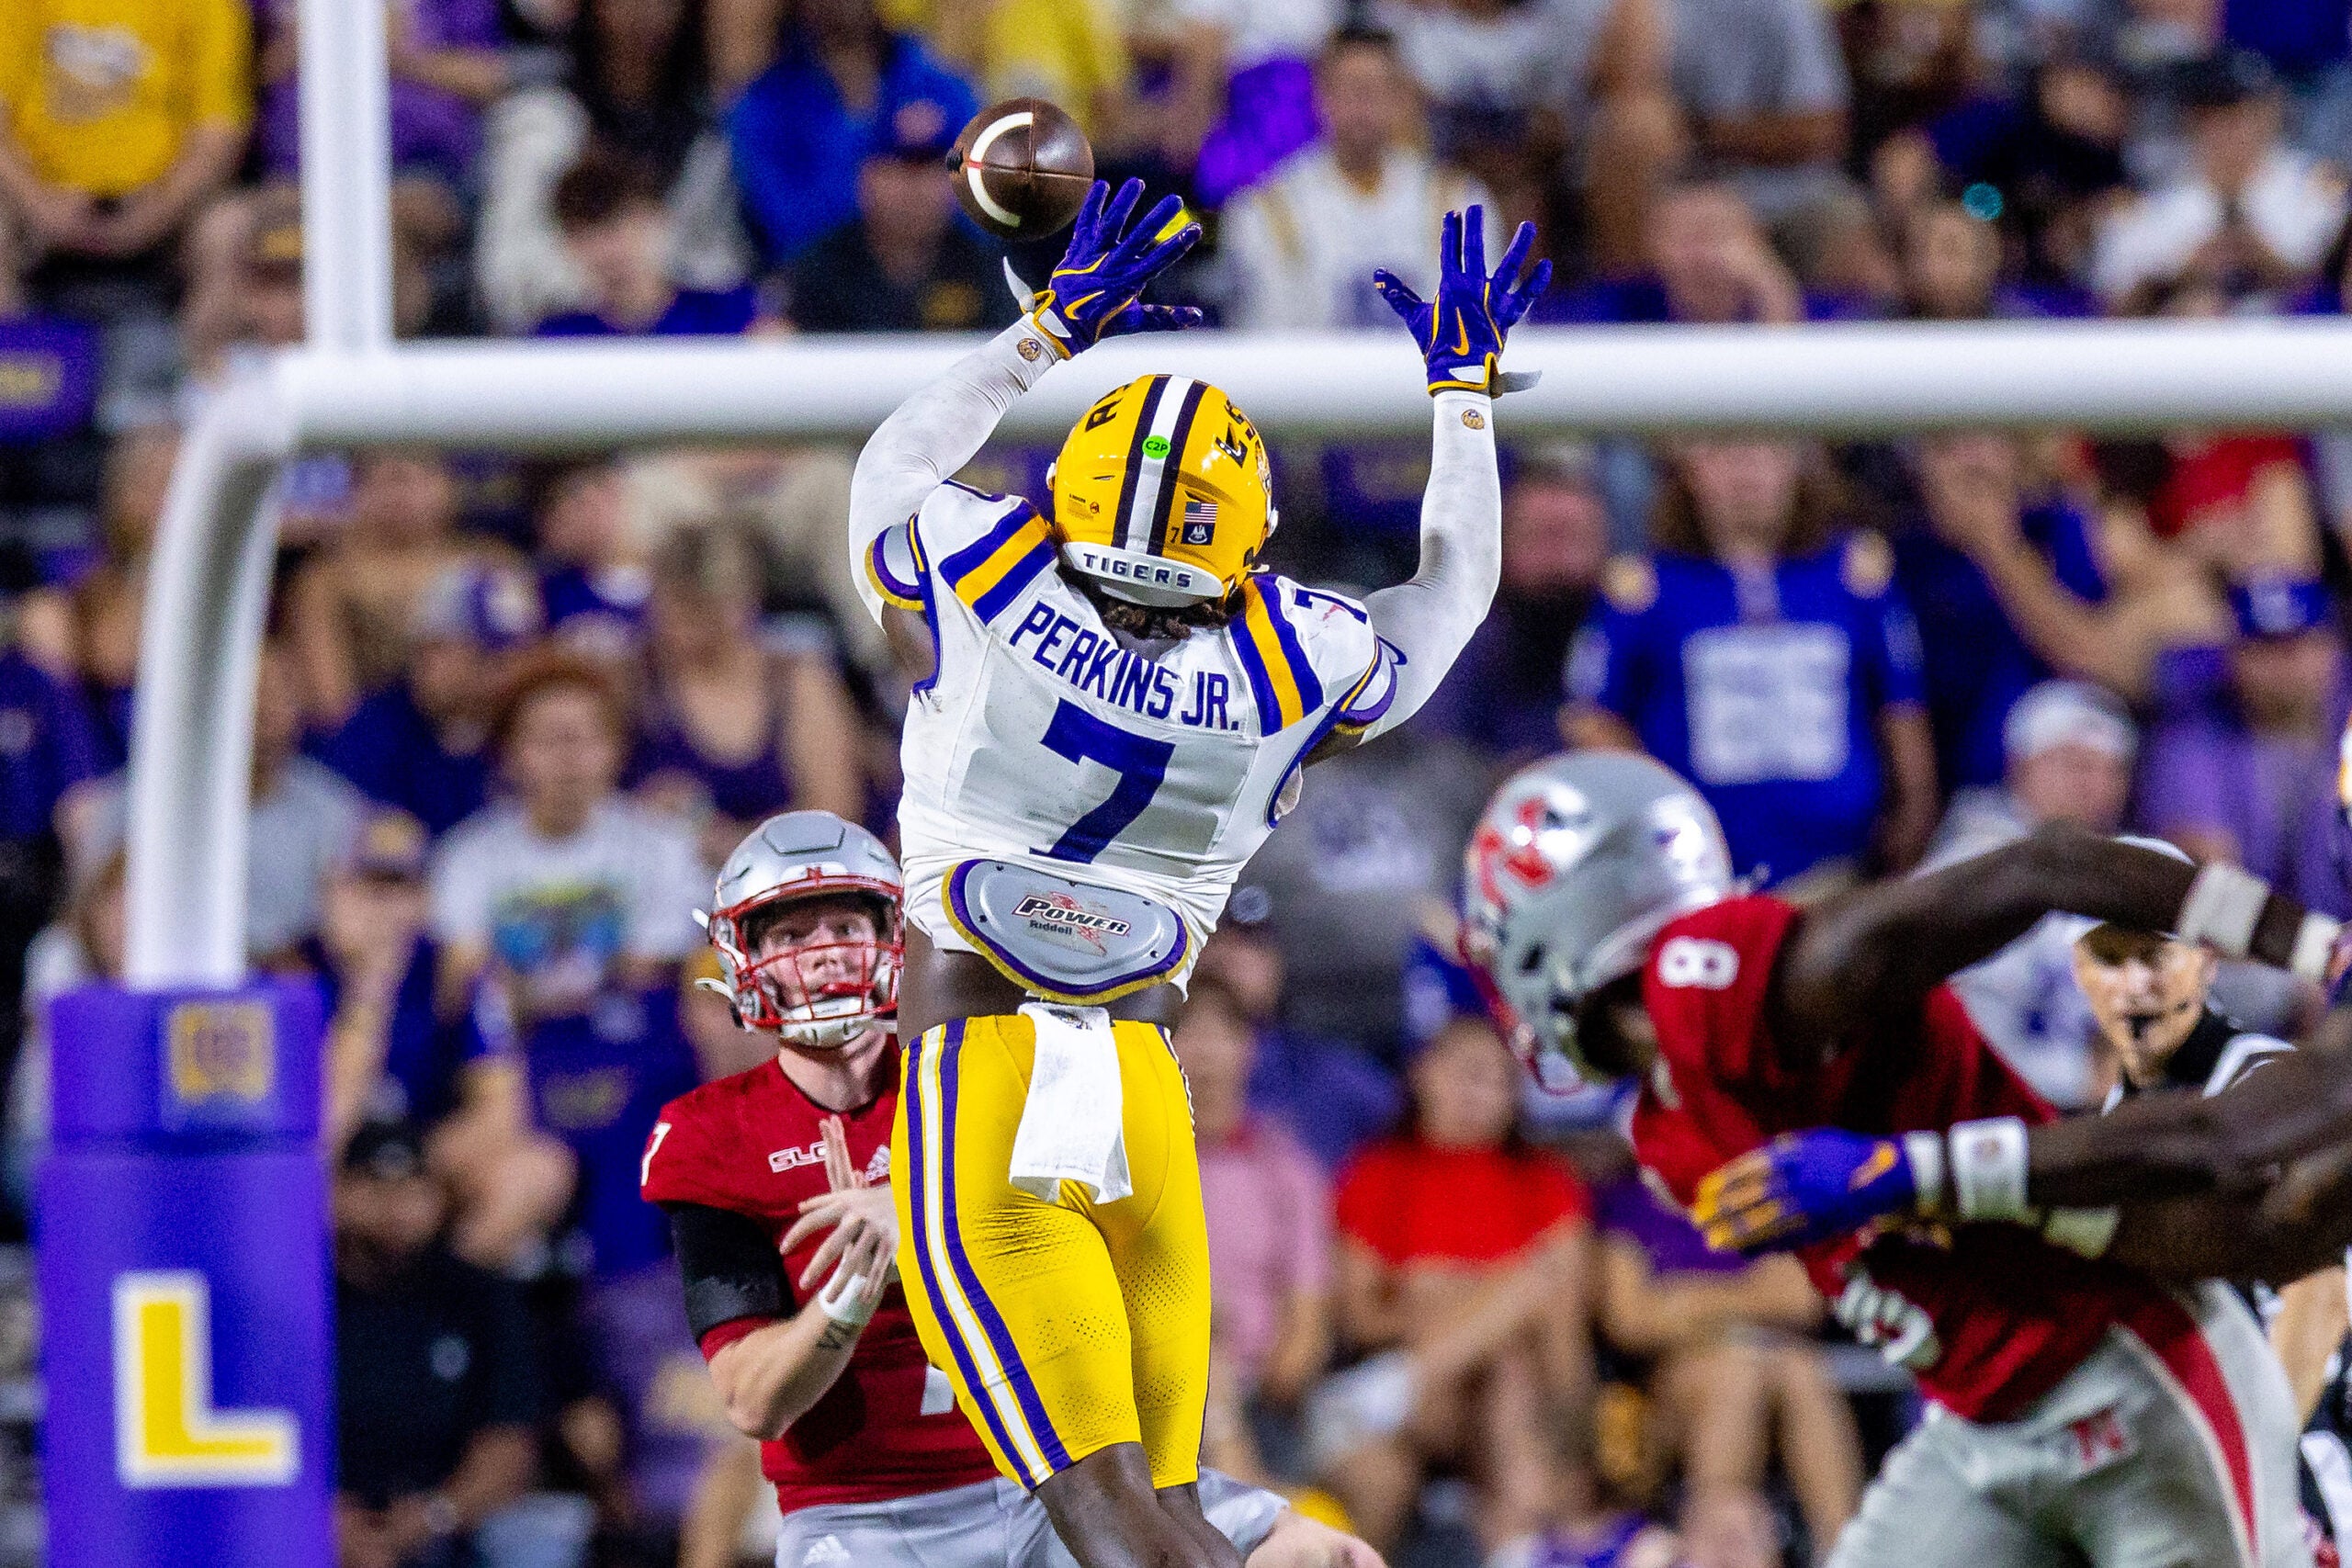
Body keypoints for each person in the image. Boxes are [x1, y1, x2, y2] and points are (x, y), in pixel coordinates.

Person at [847, 178, 1544, 1568]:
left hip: (985, 1075)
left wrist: (1038, 338)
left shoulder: (988, 565)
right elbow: (1451, 591)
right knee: (1172, 1516)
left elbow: (889, 473)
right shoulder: (1297, 657)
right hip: (1144, 1102)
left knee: (1109, 1525)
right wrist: (1462, 398)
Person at [1464, 750, 2352, 1568]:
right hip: (1980, 1422)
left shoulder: (1729, 994)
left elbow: (2047, 866)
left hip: (2124, 1372)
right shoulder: (1669, 1127)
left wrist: (2319, 947)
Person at [640, 810, 1382, 1568]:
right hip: (869, 1515)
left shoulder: (995, 1065)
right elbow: (753, 1400)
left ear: (900, 934)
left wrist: (929, 1213)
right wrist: (854, 1287)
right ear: (741, 956)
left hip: (1050, 1472)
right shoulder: (710, 1134)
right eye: (794, 936)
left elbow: (1123, 1270)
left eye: (843, 924)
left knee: (1328, 1555)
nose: (826, 956)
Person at [1566, 439, 1939, 890]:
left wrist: (1916, 809)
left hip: (1839, 870)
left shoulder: (1853, 573)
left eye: (1766, 446)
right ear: (1688, 469)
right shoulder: (1645, 588)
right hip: (1698, 879)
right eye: (1722, 449)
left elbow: (1902, 703)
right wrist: (1662, 819)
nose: (1745, 471)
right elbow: (1590, 717)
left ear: (1799, 462)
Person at [1323, 1016, 1594, 1552]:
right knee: (1522, 1300)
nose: (1483, 1094)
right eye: (1468, 1074)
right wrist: (1486, 1299)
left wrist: (1443, 1290)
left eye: (1499, 1081)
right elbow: (1359, 1317)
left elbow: (1564, 1316)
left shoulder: (1546, 1182)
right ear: (1423, 1074)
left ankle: (1396, 1387)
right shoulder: (1375, 1174)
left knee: (1514, 1351)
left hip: (1519, 1396)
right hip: (1427, 1411)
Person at [334, 1120, 567, 1568]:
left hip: (450, 1523)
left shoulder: (479, 1296)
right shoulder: (308, 1300)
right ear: (339, 1194)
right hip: (323, 1519)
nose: (396, 1205)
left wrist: (436, 1515)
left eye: (412, 1188)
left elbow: (510, 1442)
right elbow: (275, 1435)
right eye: (375, 1186)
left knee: (535, 1541)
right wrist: (326, 1516)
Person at [1918, 680, 2138, 1109]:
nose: (2095, 785)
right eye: (2076, 765)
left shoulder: (2119, 863)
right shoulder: (1974, 867)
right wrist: (2083, 1080)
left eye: (2111, 770)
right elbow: (1963, 1038)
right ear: (2021, 765)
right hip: (1989, 1118)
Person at [1220, 27, 1496, 332]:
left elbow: (1489, 329)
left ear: (1402, 98)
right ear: (1319, 97)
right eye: (1350, 90)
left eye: (1376, 90)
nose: (1362, 107)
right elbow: (1264, 338)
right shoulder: (1265, 209)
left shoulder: (1458, 200)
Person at [629, 525, 864, 868]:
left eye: (702, 618)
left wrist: (734, 841)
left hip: (785, 882)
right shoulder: (636, 681)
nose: (683, 636)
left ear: (745, 603)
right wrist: (638, 811)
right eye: (671, 617)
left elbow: (835, 815)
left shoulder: (799, 681)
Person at [725, 0, 977, 268]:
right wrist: (887, 192)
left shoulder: (938, 86)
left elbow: (982, 212)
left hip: (941, 282)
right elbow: (788, 231)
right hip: (819, 293)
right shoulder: (766, 104)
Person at [786, 112, 1018, 333]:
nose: (916, 187)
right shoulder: (822, 269)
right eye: (900, 167)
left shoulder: (983, 266)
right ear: (865, 177)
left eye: (931, 167)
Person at [535, 145, 761, 339]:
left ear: (655, 218)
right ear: (566, 244)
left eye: (617, 225)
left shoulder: (732, 316)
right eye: (585, 235)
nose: (605, 250)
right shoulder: (559, 341)